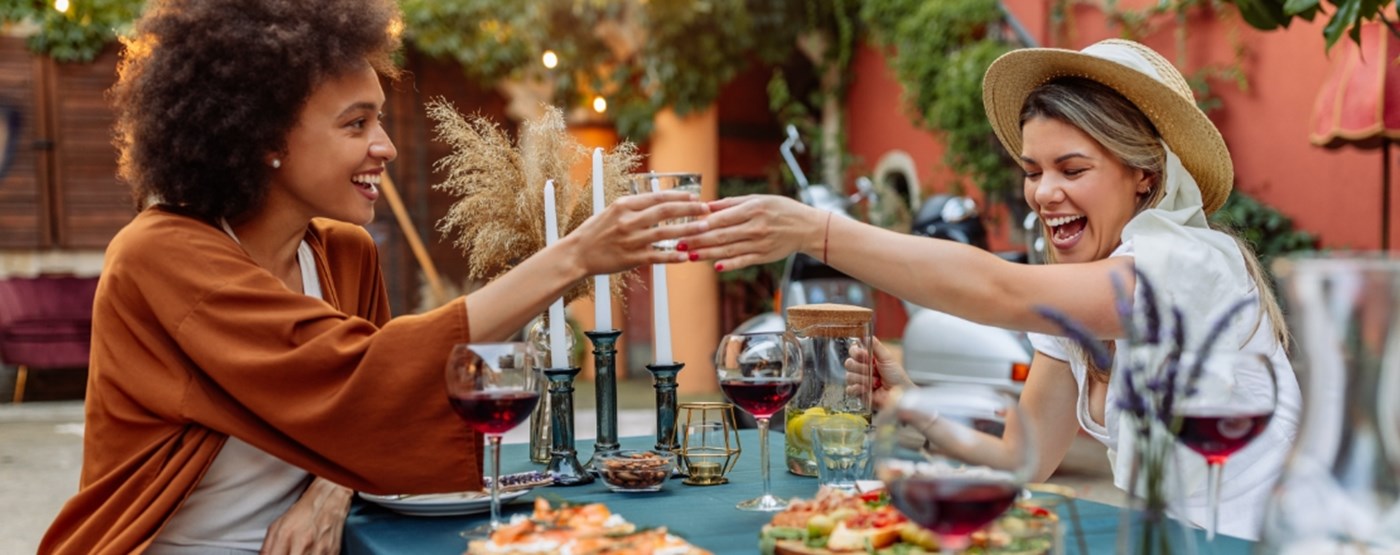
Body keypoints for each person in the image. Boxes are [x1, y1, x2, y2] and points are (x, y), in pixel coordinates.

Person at [39, 1, 708, 553]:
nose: (384, 146)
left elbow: (381, 410)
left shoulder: (343, 254)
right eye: (356, 123)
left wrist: (328, 490)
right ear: (263, 139)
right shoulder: (160, 256)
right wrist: (574, 256)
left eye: (379, 119)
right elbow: (361, 374)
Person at [684, 39, 1300, 540]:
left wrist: (816, 230)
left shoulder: (1190, 263)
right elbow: (1025, 461)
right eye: (1033, 172)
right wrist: (910, 402)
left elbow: (1000, 289)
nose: (1043, 193)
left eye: (1073, 169)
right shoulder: (1084, 295)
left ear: (1145, 175)